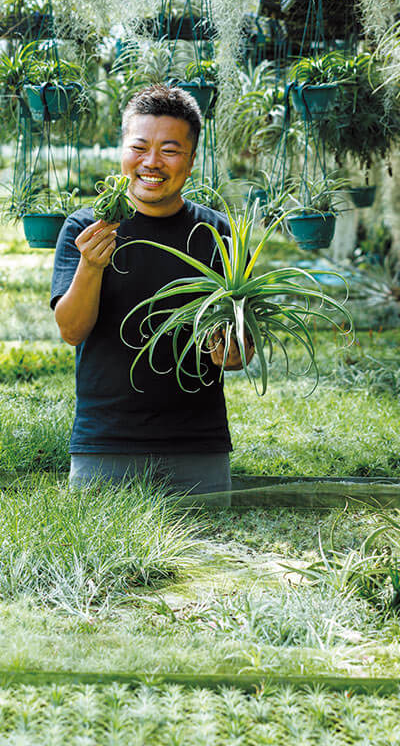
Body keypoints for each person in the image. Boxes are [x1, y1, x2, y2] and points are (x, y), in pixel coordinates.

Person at [49, 83, 250, 495]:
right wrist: (91, 264)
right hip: (104, 446)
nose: (152, 163)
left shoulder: (219, 232)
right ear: (122, 150)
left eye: (170, 150)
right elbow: (71, 331)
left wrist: (229, 349)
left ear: (191, 161)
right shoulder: (85, 228)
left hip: (198, 448)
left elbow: (237, 353)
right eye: (139, 147)